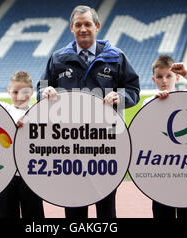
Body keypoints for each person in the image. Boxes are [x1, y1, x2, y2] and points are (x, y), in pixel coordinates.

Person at [38, 5, 140, 218]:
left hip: (106, 142)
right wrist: (45, 92)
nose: (83, 29)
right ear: (71, 28)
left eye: (87, 24)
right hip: (69, 143)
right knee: (74, 202)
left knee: (105, 205)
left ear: (97, 26)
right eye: (78, 25)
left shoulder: (116, 57)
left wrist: (120, 98)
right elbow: (41, 88)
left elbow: (133, 90)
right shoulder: (57, 58)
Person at [0, 59, 45, 218]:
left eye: (24, 92)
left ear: (32, 92)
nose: (20, 96)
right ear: (8, 91)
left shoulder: (38, 113)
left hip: (31, 176)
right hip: (5, 177)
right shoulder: (3, 110)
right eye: (15, 92)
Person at [142, 55, 187, 218]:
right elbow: (145, 133)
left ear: (177, 77)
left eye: (169, 76)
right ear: (154, 79)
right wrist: (154, 105)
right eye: (159, 77)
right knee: (162, 213)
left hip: (186, 169)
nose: (164, 81)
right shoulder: (149, 102)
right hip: (161, 170)